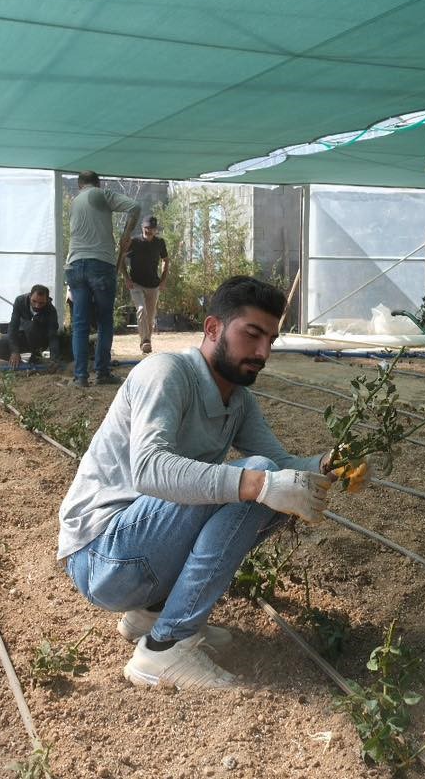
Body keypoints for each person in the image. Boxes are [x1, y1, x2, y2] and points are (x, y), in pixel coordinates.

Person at [57, 276, 367, 690]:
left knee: (268, 483)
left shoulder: (238, 401)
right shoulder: (165, 373)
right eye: (251, 334)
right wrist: (258, 483)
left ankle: (153, 613)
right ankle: (164, 648)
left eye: (271, 340)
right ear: (213, 328)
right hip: (101, 557)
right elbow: (149, 469)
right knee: (257, 481)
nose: (262, 353)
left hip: (139, 556)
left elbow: (284, 466)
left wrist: (330, 464)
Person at [66, 171, 141, 387]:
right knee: (104, 321)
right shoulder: (100, 194)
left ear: (80, 186)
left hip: (75, 265)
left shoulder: (74, 202)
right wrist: (126, 236)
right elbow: (134, 207)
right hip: (100, 263)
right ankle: (102, 372)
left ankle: (80, 377)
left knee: (79, 324)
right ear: (97, 183)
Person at [123, 215, 169, 355]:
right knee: (141, 310)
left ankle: (147, 341)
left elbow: (165, 260)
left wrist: (163, 280)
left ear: (156, 230)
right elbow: (121, 260)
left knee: (150, 316)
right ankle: (145, 342)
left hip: (153, 285)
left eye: (152, 228)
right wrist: (127, 279)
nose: (149, 231)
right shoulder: (134, 242)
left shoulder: (160, 243)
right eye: (147, 228)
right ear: (142, 227)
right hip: (136, 284)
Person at [0, 284, 57, 365]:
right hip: (22, 337)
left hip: (39, 342)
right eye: (34, 301)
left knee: (32, 326)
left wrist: (54, 359)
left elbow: (52, 336)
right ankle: (20, 363)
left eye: (41, 303)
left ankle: (36, 357)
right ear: (29, 296)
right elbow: (13, 327)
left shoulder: (51, 310)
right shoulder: (20, 301)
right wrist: (14, 351)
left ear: (47, 300)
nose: (37, 306)